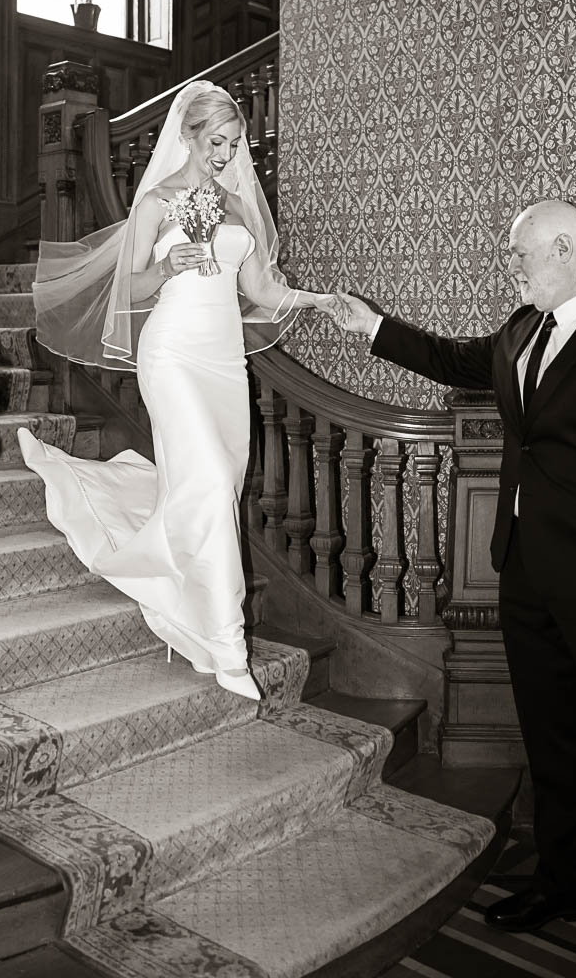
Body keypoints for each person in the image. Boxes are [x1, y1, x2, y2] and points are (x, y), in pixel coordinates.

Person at [332, 200, 576, 977]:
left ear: (564, 250)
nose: (512, 267)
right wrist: (372, 327)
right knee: (551, 738)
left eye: (520, 255)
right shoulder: (520, 329)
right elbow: (456, 360)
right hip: (528, 574)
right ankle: (563, 884)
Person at [19, 80, 340, 701]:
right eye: (216, 142)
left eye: (235, 143)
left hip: (224, 363)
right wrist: (167, 266)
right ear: (189, 137)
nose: (226, 155)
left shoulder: (239, 205)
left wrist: (321, 301)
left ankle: (191, 611)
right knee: (211, 483)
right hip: (170, 353)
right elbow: (127, 288)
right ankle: (227, 644)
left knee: (216, 488)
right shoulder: (156, 202)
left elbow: (262, 291)